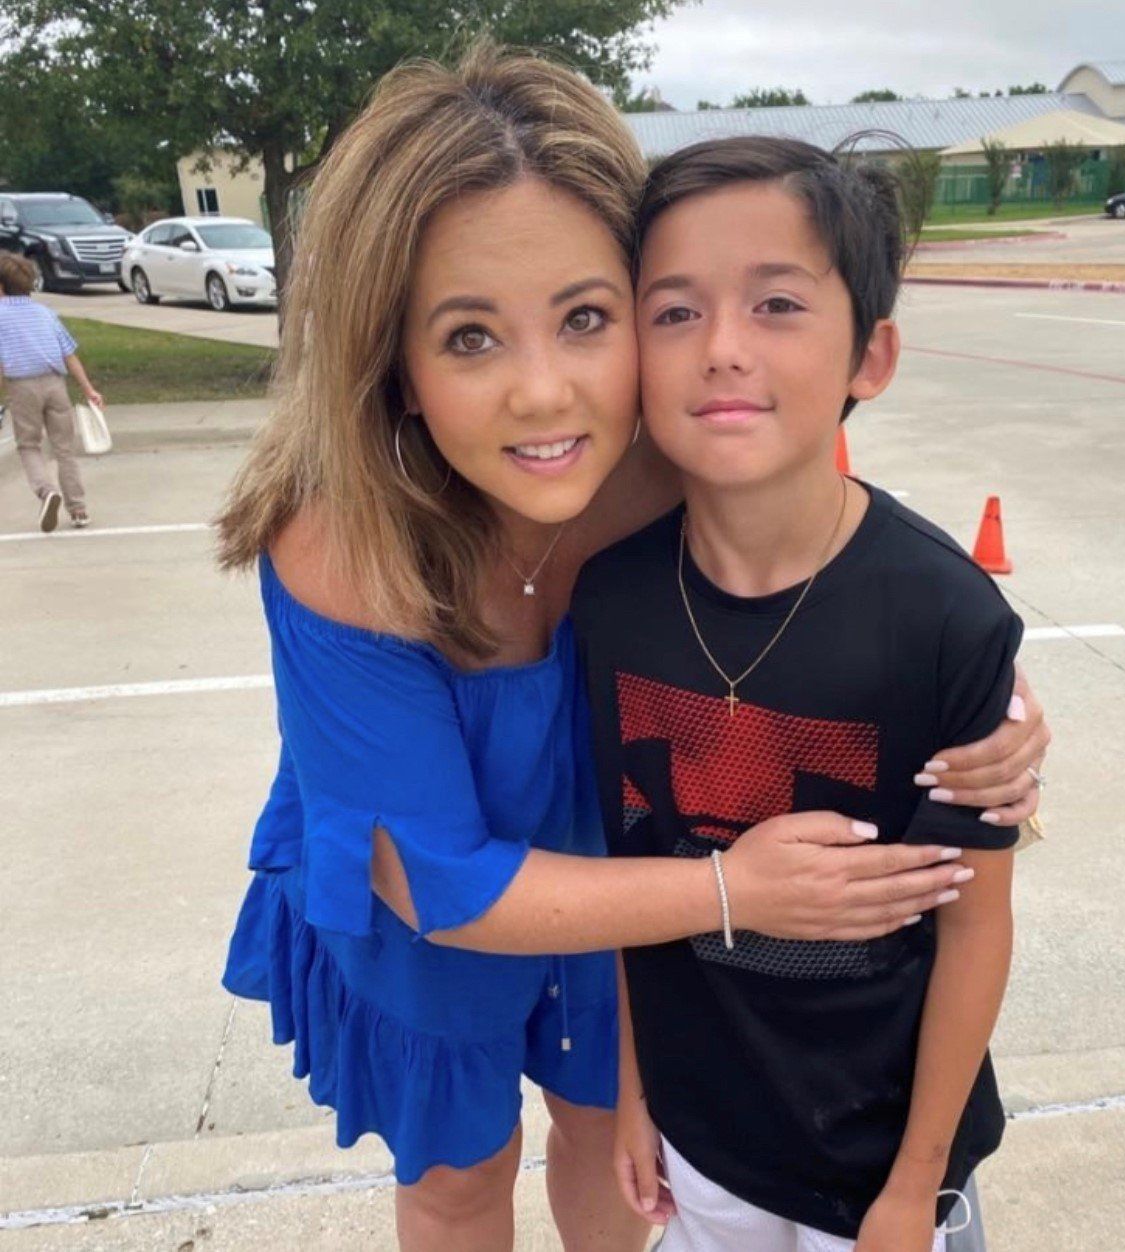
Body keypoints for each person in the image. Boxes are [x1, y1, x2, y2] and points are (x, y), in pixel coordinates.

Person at [216, 48, 1049, 1252]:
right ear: (388, 362)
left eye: (587, 318)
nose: (546, 395)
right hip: (447, 882)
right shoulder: (344, 539)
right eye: (468, 338)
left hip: (635, 845)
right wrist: (731, 889)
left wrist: (999, 710)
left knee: (616, 1144)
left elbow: (842, 564)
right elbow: (429, 878)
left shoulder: (666, 467)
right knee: (459, 1175)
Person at [574, 136, 1039, 1252]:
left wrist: (914, 1187)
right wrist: (635, 1093)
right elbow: (631, 874)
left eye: (777, 303)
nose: (722, 349)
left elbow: (974, 925)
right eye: (674, 311)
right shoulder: (611, 601)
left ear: (868, 357)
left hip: (884, 1161)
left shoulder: (941, 615)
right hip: (703, 1139)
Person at [0, 252, 101, 530]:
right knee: (64, 448)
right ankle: (79, 509)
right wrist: (89, 389)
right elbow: (70, 355)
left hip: (22, 387)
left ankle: (47, 491)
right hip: (56, 384)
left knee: (29, 445)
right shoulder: (46, 313)